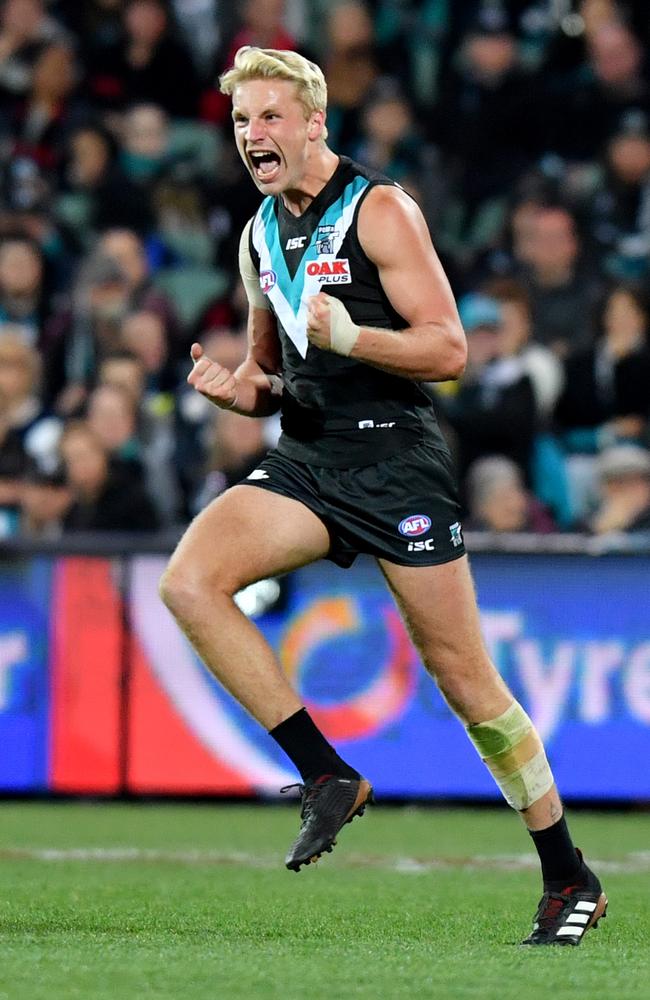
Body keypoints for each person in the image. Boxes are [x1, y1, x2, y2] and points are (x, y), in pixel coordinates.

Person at [159, 46, 606, 946]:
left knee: (466, 682)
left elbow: (449, 351)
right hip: (310, 457)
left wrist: (357, 334)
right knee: (189, 582)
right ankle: (327, 774)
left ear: (317, 122)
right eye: (244, 122)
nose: (255, 136)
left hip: (397, 460)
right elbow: (269, 374)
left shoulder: (381, 210)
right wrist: (232, 389)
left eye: (272, 117)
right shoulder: (257, 234)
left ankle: (569, 873)